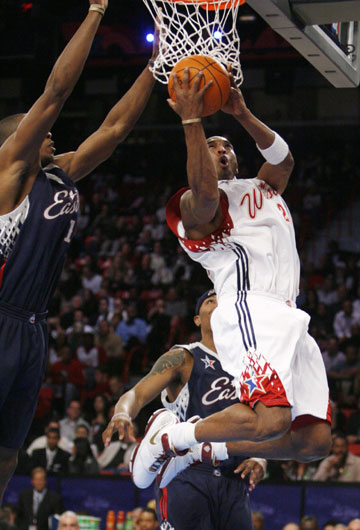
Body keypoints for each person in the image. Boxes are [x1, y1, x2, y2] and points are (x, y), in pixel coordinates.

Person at [131, 65, 332, 485]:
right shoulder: (193, 206)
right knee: (270, 419)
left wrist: (241, 112)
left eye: (226, 148)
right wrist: (192, 122)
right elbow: (204, 195)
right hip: (250, 307)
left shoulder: (262, 186)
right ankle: (169, 438)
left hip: (289, 312)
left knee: (314, 441)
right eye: (211, 147)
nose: (220, 151)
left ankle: (204, 448)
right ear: (197, 158)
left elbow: (284, 158)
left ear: (237, 158)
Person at [0, 0, 159, 502]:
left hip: (32, 326)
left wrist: (158, 66)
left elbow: (112, 132)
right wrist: (95, 11)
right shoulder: (9, 174)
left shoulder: (56, 174)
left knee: (8, 447)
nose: (48, 131)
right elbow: (55, 92)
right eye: (33, 127)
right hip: (2, 317)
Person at [103, 290, 266, 530]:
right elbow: (137, 393)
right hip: (188, 474)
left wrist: (260, 458)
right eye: (210, 301)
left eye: (224, 301)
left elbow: (266, 422)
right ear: (197, 319)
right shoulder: (183, 357)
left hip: (234, 478)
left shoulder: (251, 365)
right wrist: (122, 413)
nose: (218, 304)